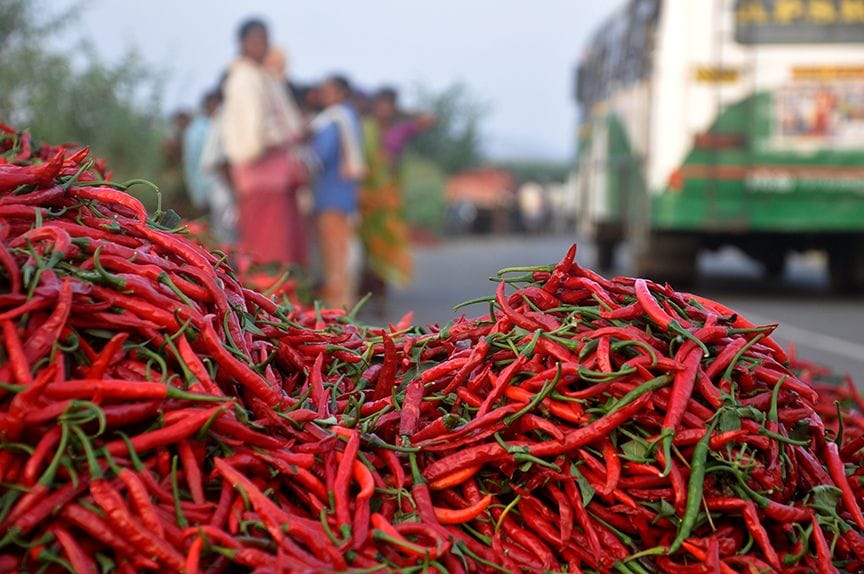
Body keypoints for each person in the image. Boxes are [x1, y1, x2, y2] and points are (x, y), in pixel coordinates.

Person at [220, 18, 308, 266]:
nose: (264, 45)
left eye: (266, 39)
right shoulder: (244, 79)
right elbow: (252, 138)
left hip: (279, 178)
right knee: (268, 253)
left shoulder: (265, 77)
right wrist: (280, 138)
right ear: (243, 43)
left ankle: (283, 290)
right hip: (259, 177)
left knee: (284, 250)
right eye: (258, 39)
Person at [358, 87, 435, 312]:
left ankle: (381, 296)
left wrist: (404, 113)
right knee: (364, 250)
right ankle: (363, 295)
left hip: (389, 200)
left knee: (386, 249)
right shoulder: (364, 127)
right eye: (381, 105)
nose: (384, 110)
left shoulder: (400, 129)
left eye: (389, 105)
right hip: (365, 199)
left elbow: (430, 119)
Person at [309, 75, 365, 309]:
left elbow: (318, 158)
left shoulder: (334, 120)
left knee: (334, 256)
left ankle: (337, 309)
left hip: (330, 197)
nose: (323, 94)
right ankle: (343, 305)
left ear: (341, 92)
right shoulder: (350, 118)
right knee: (344, 252)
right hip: (344, 197)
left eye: (328, 89)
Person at [182, 91, 221, 219]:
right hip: (211, 189)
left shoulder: (195, 129)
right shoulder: (204, 129)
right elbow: (194, 165)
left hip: (207, 190)